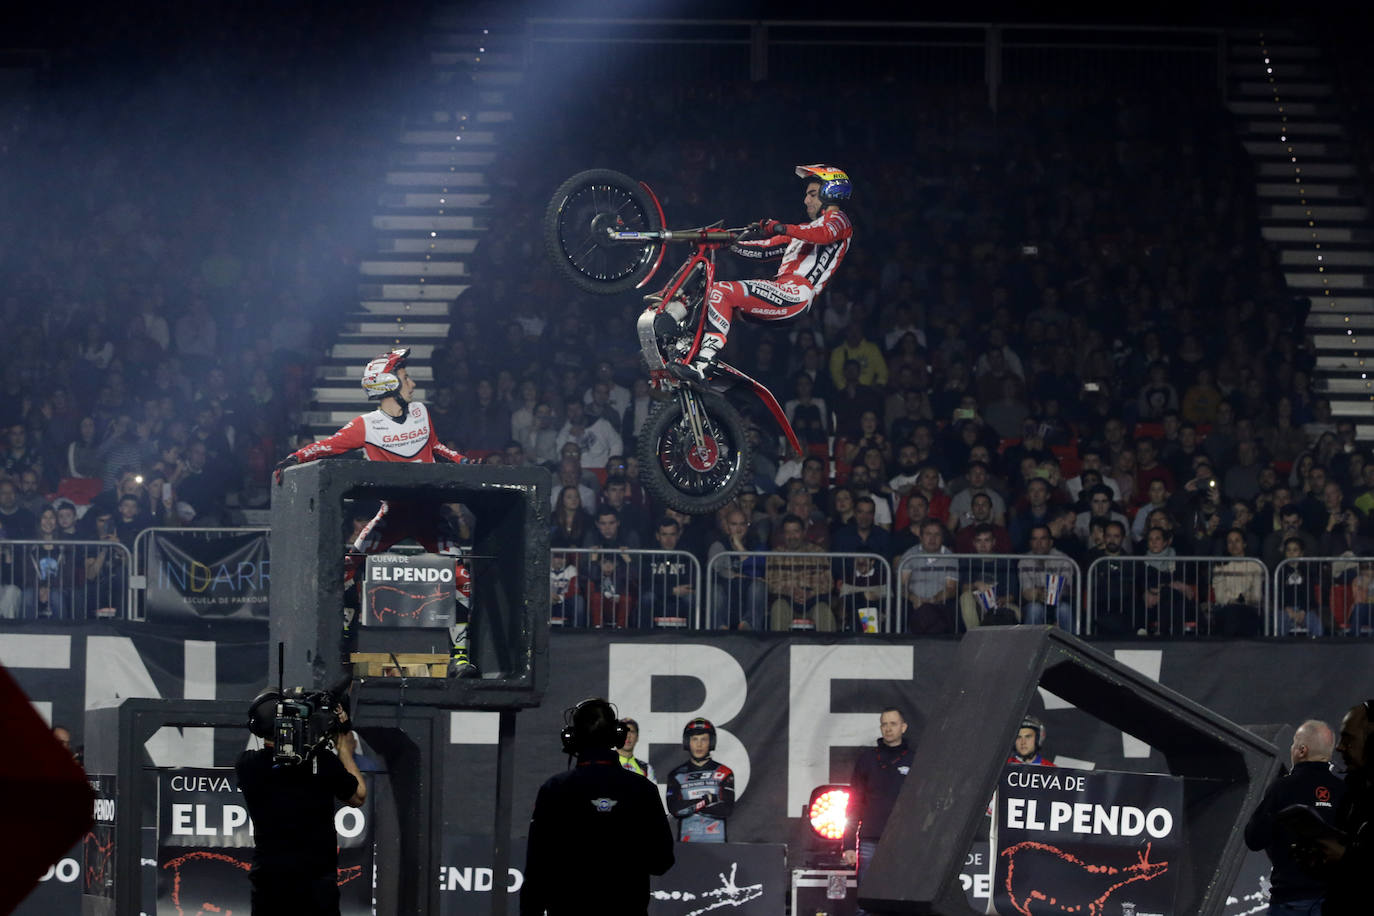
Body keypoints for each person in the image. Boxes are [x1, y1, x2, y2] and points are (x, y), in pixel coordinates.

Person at [272, 348, 478, 676]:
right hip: (392, 514)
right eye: (406, 376)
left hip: (429, 516)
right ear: (387, 384)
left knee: (462, 576)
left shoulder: (422, 412)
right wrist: (294, 458)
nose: (412, 382)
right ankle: (340, 644)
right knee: (346, 569)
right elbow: (329, 445)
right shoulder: (365, 425)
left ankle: (462, 658)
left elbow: (436, 447)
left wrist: (462, 461)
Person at [672, 165, 853, 382]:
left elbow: (822, 234)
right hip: (782, 290)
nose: (806, 201)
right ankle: (682, 345)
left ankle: (704, 364)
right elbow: (764, 249)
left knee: (722, 291)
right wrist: (729, 243)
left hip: (797, 293)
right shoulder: (801, 231)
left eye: (812, 194)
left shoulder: (839, 221)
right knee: (707, 296)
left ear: (831, 193)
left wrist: (782, 227)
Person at [523, 699, 674, 916]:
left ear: (572, 738)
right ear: (617, 735)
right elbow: (661, 861)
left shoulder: (554, 789)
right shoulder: (644, 789)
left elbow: (537, 871)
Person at [236, 691, 366, 916]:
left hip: (269, 883)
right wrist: (344, 751)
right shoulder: (322, 761)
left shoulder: (247, 765)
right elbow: (358, 796)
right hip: (316, 886)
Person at [1243, 719, 1344, 916]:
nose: (1291, 748)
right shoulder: (1345, 792)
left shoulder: (1283, 789)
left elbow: (1254, 838)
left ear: (1302, 750)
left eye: (1293, 743)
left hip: (1290, 903)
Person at [841, 708, 913, 915]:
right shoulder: (867, 759)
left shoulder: (917, 760)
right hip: (870, 840)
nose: (888, 728)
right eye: (884, 724)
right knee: (866, 901)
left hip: (904, 842)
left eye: (893, 723)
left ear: (903, 727)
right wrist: (848, 845)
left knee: (903, 899)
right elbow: (853, 803)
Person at [666, 717, 735, 843]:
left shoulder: (725, 773)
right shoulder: (676, 775)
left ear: (711, 742)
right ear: (688, 742)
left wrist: (691, 805)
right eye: (694, 739)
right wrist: (708, 800)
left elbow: (726, 809)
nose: (699, 744)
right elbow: (676, 810)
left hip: (718, 845)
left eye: (704, 739)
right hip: (686, 844)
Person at [616, 717, 656, 782]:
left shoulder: (646, 769)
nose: (628, 736)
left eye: (631, 732)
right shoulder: (604, 763)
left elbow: (652, 792)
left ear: (637, 737)